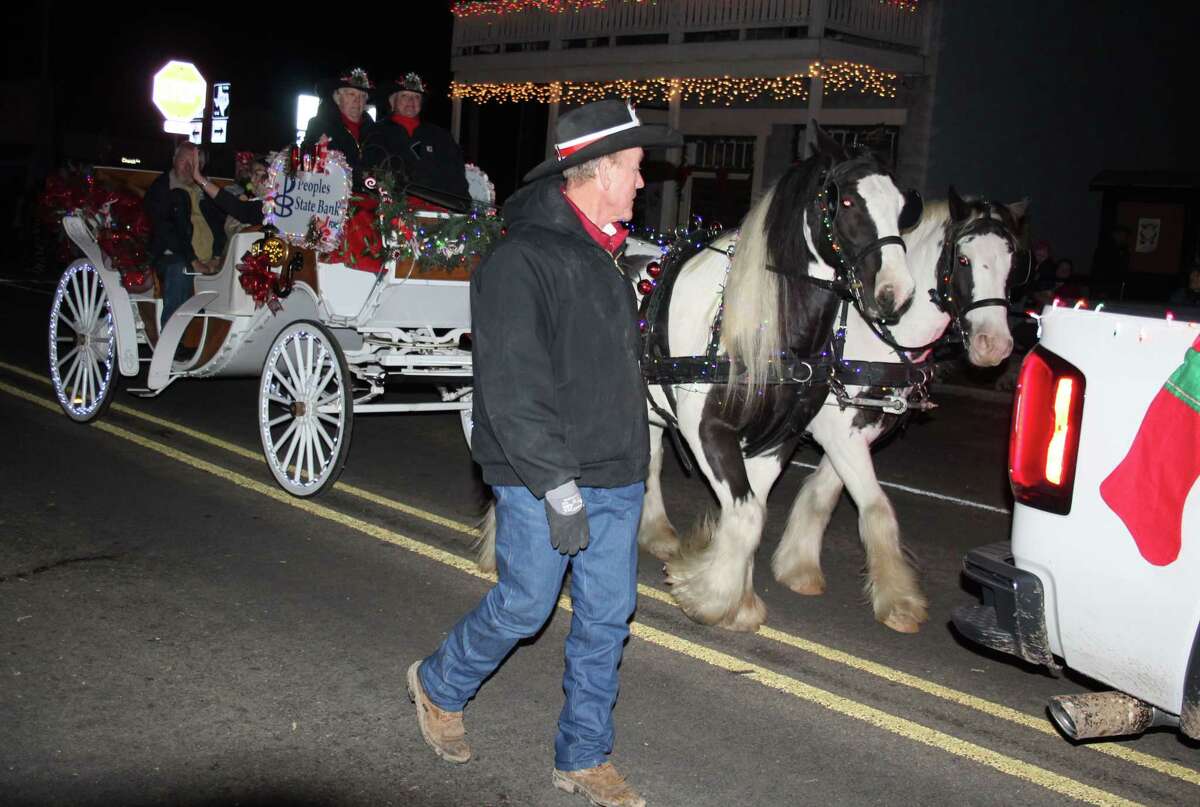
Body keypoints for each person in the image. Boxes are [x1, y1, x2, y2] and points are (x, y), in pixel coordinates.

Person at [406, 99, 680, 807]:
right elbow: (513, 387)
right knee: (527, 604)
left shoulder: (606, 255)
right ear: (595, 173)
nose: (642, 183)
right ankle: (439, 683)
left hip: (615, 472)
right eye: (635, 168)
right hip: (542, 476)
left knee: (608, 615)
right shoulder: (520, 257)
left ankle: (583, 755)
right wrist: (559, 489)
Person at [144, 141, 226, 328]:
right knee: (180, 269)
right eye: (184, 160)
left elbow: (220, 226)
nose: (188, 167)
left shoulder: (207, 192)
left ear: (201, 167)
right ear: (174, 159)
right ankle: (172, 338)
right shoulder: (161, 190)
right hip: (173, 256)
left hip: (209, 260)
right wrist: (193, 261)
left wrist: (218, 257)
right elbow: (166, 231)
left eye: (194, 163)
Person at [366, 71, 470, 208]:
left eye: (416, 97)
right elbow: (371, 176)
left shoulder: (440, 136)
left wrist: (459, 207)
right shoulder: (376, 133)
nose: (411, 101)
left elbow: (456, 179)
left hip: (437, 213)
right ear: (392, 102)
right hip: (392, 212)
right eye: (404, 96)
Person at [301, 67, 376, 188]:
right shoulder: (319, 126)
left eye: (362, 96)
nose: (357, 101)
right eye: (351, 94)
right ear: (337, 98)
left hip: (370, 199)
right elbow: (309, 165)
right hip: (332, 198)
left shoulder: (375, 131)